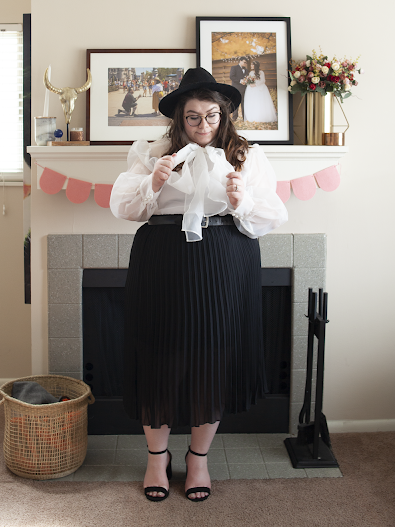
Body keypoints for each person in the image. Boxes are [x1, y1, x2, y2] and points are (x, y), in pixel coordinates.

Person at [110, 67, 287, 503]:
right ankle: (156, 457)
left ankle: (198, 458)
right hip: (162, 259)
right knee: (158, 355)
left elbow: (270, 217)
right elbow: (124, 207)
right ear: (179, 119)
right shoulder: (152, 151)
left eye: (212, 116)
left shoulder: (248, 156)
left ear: (224, 115)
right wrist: (153, 182)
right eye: (193, 117)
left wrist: (241, 200)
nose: (204, 125)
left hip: (226, 259)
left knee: (215, 357)